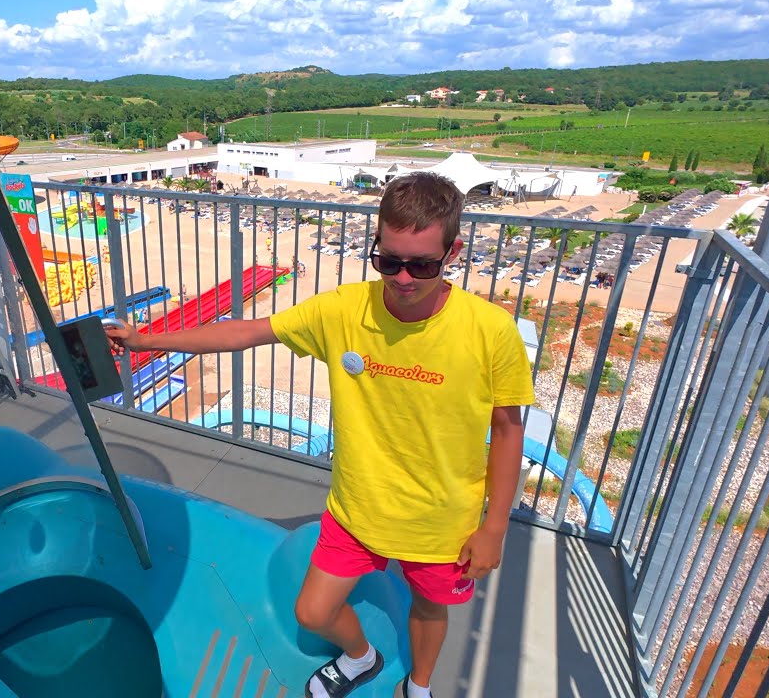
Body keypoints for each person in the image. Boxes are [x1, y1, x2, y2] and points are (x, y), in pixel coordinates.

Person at [104, 173, 534, 698]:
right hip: (357, 508)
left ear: (453, 252)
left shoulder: (490, 330)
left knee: (429, 607)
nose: (402, 278)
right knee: (312, 611)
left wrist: (494, 528)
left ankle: (419, 687)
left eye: (421, 264)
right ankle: (363, 656)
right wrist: (149, 339)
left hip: (440, 519)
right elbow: (248, 331)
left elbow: (508, 430)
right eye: (388, 260)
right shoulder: (343, 309)